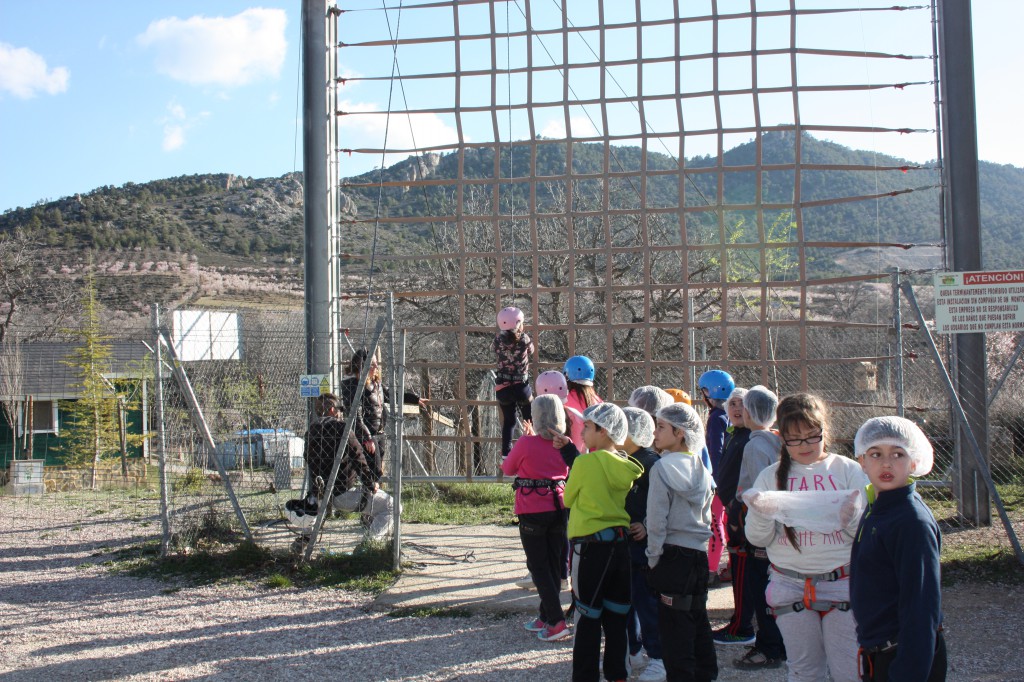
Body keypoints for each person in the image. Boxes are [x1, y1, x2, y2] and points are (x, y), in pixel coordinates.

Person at [742, 393, 869, 682]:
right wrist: (761, 513)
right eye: (795, 439)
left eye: (812, 436)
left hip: (842, 584)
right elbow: (758, 539)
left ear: (825, 430)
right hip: (789, 585)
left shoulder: (848, 470)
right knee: (804, 671)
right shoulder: (770, 477)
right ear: (781, 437)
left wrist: (851, 518)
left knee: (848, 671)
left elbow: (864, 537)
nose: (805, 446)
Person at [850, 417, 946, 682]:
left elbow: (921, 606)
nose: (886, 463)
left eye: (898, 454)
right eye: (876, 454)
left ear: (914, 462)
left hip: (904, 657)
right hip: (879, 651)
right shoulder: (878, 505)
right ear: (862, 461)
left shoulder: (911, 521)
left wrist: (906, 673)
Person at [562, 402, 642, 682]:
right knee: (617, 615)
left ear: (604, 431)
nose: (582, 432)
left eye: (587, 427)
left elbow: (567, 498)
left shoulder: (584, 463)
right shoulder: (626, 466)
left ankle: (585, 676)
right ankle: (618, 674)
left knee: (587, 615)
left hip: (590, 547)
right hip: (619, 547)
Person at [646, 402, 718, 682]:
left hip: (671, 554)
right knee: (697, 620)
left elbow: (656, 519)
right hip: (698, 555)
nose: (655, 432)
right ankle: (706, 674)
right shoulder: (702, 468)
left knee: (674, 631)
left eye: (661, 427)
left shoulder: (661, 468)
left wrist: (653, 558)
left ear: (680, 433)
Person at [501, 394, 572, 642]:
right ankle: (545, 615)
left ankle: (556, 621)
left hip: (532, 508)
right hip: (559, 505)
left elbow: (508, 469)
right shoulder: (566, 444)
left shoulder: (525, 444)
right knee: (553, 563)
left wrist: (527, 439)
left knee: (538, 566)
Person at [728, 385, 786, 669]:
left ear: (750, 413)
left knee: (760, 585)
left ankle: (768, 647)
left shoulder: (754, 446)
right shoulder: (778, 440)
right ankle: (780, 642)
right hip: (779, 521)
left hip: (759, 522)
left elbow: (753, 488)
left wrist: (738, 510)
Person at [298, 392, 396, 539]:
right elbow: (359, 458)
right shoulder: (342, 428)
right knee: (392, 506)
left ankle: (305, 540)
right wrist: (370, 484)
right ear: (332, 410)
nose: (341, 414)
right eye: (339, 410)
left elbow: (307, 457)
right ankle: (369, 543)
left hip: (319, 494)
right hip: (343, 493)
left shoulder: (311, 430)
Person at [622, 406, 667, 682]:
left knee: (647, 605)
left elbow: (662, 502)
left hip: (644, 549)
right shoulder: (623, 459)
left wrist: (646, 525)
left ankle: (659, 658)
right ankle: (634, 650)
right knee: (626, 602)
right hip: (626, 547)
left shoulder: (652, 463)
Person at [710, 387, 755, 646]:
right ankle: (741, 620)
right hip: (732, 508)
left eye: (742, 404)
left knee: (743, 568)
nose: (737, 409)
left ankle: (742, 627)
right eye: (733, 404)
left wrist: (735, 503)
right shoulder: (734, 434)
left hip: (742, 512)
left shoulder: (749, 438)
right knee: (739, 567)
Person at [340, 347, 425, 475]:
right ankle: (368, 488)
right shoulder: (353, 385)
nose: (376, 367)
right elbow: (355, 414)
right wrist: (367, 438)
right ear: (361, 366)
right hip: (368, 434)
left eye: (376, 363)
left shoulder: (375, 383)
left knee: (375, 472)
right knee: (374, 471)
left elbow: (392, 396)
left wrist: (414, 399)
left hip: (379, 432)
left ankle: (369, 487)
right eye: (372, 364)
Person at [698, 369, 735, 582]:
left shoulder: (715, 418)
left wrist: (716, 480)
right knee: (727, 522)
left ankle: (711, 569)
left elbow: (716, 450)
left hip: (719, 480)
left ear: (709, 392)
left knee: (716, 523)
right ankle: (731, 564)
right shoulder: (730, 415)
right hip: (730, 478)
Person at [493, 306, 535, 458]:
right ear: (518, 324)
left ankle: (506, 454)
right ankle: (533, 451)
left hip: (503, 387)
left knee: (509, 422)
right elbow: (532, 351)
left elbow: (494, 350)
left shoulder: (497, 340)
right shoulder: (524, 339)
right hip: (521, 387)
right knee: (529, 420)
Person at [564, 355, 602, 449]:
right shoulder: (599, 401)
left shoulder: (564, 400)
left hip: (570, 452)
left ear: (566, 376)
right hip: (596, 453)